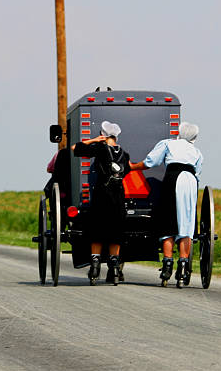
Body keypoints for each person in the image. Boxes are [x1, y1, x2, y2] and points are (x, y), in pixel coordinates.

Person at [130, 122, 203, 287]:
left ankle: (167, 265)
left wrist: (134, 167)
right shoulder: (197, 152)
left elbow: (150, 162)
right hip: (190, 181)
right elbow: (197, 173)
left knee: (168, 221)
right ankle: (183, 266)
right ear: (194, 137)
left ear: (179, 132)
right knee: (186, 223)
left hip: (173, 178)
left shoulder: (168, 143)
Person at [71, 121, 130, 285]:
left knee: (97, 231)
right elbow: (129, 169)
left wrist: (95, 140)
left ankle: (95, 267)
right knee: (115, 233)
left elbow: (76, 148)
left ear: (104, 134)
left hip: (101, 195)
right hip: (118, 196)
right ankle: (115, 268)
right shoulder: (124, 154)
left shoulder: (100, 149)